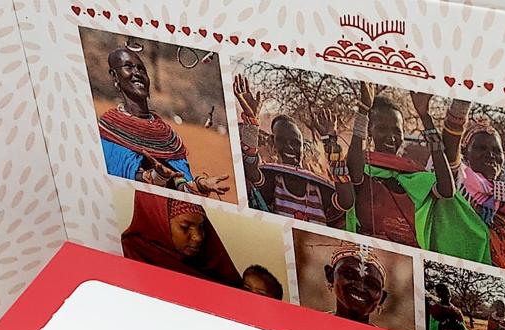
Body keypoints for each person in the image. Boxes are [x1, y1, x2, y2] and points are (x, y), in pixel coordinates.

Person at [329, 83, 490, 262]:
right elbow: (354, 177)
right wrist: (363, 111)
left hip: (408, 261)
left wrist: (425, 117)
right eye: (381, 129)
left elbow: (446, 190)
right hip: (367, 257)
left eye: (397, 131)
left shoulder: (412, 174)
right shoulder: (362, 168)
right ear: (369, 131)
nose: (391, 137)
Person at [98, 45, 229, 197]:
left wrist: (199, 185)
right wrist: (155, 177)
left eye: (141, 69)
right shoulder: (110, 129)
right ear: (115, 77)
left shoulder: (167, 137)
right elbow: (119, 177)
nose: (137, 73)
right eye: (128, 67)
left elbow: (181, 185)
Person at [233, 76, 345, 227]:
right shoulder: (273, 181)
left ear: (303, 147)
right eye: (282, 141)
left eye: (295, 142)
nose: (289, 147)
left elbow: (346, 201)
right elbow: (250, 169)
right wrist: (251, 121)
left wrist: (331, 142)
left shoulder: (317, 187)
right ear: (273, 145)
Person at [442, 107, 505, 273]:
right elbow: (450, 149)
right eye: (481, 148)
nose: (490, 155)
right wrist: (459, 108)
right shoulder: (456, 181)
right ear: (465, 153)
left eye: (496, 150)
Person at [121, 193, 242, 286]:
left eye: (201, 226)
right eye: (185, 227)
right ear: (158, 222)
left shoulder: (208, 256)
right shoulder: (133, 250)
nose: (198, 237)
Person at [323, 244, 388, 324]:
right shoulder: (314, 323)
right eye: (350, 275)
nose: (360, 287)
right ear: (330, 275)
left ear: (382, 298)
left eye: (371, 285)